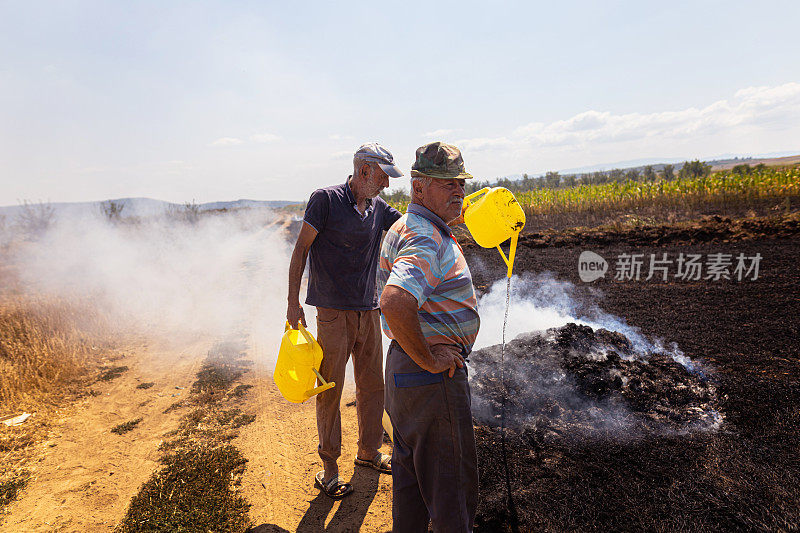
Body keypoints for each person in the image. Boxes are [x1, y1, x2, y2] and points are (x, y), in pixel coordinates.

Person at [287, 142, 403, 499]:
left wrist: (447, 215)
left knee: (372, 384)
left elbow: (411, 224)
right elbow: (301, 249)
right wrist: (293, 302)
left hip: (369, 309)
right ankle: (330, 468)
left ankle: (368, 452)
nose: (386, 184)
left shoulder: (377, 207)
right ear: (364, 170)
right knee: (332, 388)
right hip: (333, 311)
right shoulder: (326, 200)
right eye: (383, 176)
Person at [378, 142, 480, 532]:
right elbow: (394, 300)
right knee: (450, 496)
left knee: (411, 484)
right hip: (431, 380)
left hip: (404, 374)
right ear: (419, 188)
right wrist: (428, 359)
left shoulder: (405, 227)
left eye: (461, 183)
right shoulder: (426, 238)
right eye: (448, 184)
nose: (460, 192)